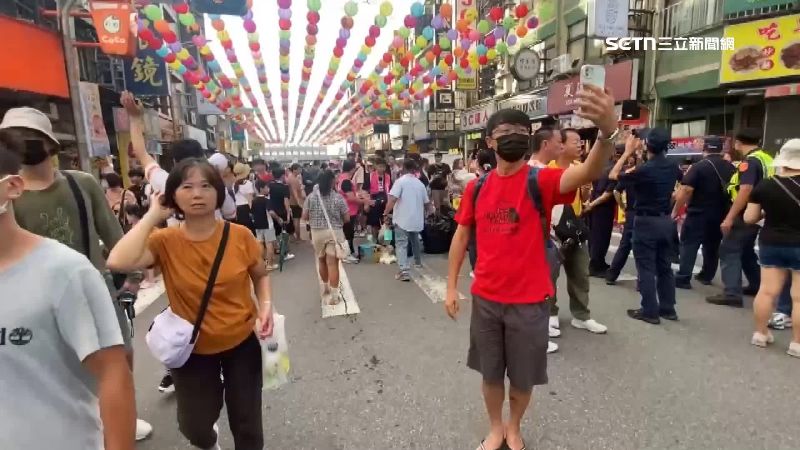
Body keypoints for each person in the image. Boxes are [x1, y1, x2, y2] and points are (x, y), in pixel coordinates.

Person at [445, 85, 617, 450]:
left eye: (520, 134)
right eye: (504, 135)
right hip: (487, 299)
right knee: (490, 374)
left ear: (529, 140)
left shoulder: (543, 180)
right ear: (490, 142)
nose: (513, 140)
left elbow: (587, 172)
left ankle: (514, 426)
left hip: (530, 301)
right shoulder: (477, 189)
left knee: (522, 378)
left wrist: (606, 133)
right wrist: (450, 287)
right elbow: (460, 237)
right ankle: (496, 428)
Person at [0, 105, 153, 440]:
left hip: (92, 285)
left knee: (117, 356)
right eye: (15, 139)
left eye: (32, 137)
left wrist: (132, 278)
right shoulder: (11, 195)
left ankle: (120, 419)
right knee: (49, 366)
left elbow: (114, 235)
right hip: (32, 296)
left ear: (50, 144)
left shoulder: (80, 183)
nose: (24, 144)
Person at [107, 159, 273, 449]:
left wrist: (266, 304)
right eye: (187, 186)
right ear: (174, 195)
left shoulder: (240, 236)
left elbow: (260, 275)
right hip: (192, 349)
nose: (197, 194)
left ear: (219, 193)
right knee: (195, 426)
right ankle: (209, 441)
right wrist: (151, 216)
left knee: (247, 422)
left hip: (242, 343)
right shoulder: (165, 240)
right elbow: (117, 260)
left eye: (206, 186)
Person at [610, 128, 683, 324]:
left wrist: (627, 152)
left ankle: (649, 310)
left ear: (647, 145)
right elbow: (682, 187)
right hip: (665, 220)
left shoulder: (644, 170)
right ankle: (668, 308)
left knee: (646, 268)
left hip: (645, 221)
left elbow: (614, 174)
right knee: (664, 266)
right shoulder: (673, 166)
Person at [541, 128, 608, 336]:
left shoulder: (581, 168)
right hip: (552, 230)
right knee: (549, 276)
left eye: (581, 142)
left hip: (576, 228)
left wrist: (586, 191)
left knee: (580, 274)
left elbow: (584, 198)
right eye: (575, 141)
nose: (580, 145)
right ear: (560, 145)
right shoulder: (545, 169)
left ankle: (582, 316)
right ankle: (550, 314)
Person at [745, 139, 800, 357]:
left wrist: (767, 213)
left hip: (771, 241)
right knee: (798, 297)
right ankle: (796, 344)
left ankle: (760, 334)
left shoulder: (765, 185)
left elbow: (750, 218)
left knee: (767, 291)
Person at [707, 128, 772, 307]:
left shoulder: (749, 163)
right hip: (760, 212)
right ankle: (756, 284)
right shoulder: (766, 158)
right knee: (746, 251)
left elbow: (745, 189)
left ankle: (732, 293)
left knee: (729, 250)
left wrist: (729, 217)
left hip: (744, 213)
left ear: (739, 143)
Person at [672, 136, 736, 289]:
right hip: (721, 213)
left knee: (689, 244)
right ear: (721, 149)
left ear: (704, 148)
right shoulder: (731, 167)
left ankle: (683, 277)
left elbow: (686, 189)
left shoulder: (699, 167)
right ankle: (706, 275)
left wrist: (675, 210)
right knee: (712, 246)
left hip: (698, 212)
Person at [303, 169, 350, 305]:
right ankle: (335, 297)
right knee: (333, 263)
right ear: (331, 182)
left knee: (321, 260)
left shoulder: (311, 197)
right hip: (334, 232)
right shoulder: (338, 197)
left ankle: (325, 288)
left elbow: (304, 217)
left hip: (317, 233)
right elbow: (347, 218)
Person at [385, 158, 430, 282]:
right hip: (416, 219)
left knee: (401, 244)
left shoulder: (400, 182)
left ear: (404, 168)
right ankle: (418, 262)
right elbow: (427, 203)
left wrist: (385, 212)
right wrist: (430, 213)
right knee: (415, 240)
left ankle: (404, 271)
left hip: (402, 219)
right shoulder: (420, 184)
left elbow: (393, 199)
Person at [606, 138, 642, 285]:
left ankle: (612, 275)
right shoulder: (656, 170)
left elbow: (616, 189)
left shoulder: (631, 173)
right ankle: (642, 281)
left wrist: (622, 206)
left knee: (625, 245)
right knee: (644, 248)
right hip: (650, 213)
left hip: (632, 212)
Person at [585, 161, 617, 278]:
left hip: (594, 204)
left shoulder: (599, 167)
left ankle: (598, 262)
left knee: (593, 236)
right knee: (601, 237)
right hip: (603, 207)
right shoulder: (613, 170)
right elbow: (608, 194)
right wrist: (593, 204)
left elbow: (591, 187)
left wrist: (590, 203)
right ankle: (595, 265)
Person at [338, 159, 373, 263]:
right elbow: (351, 198)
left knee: (348, 232)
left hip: (345, 209)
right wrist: (365, 201)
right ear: (352, 168)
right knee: (348, 233)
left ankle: (350, 251)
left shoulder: (341, 178)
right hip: (349, 210)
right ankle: (347, 254)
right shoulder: (346, 181)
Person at [268, 166, 295, 261]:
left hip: (272, 212)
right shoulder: (284, 187)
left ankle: (277, 249)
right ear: (283, 175)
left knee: (275, 233)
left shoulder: (269, 186)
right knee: (284, 233)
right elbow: (286, 202)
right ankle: (285, 253)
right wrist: (288, 214)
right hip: (282, 212)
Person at [252, 179, 278, 271]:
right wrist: (278, 219)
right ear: (262, 188)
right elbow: (271, 212)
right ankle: (270, 264)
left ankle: (261, 264)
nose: (268, 189)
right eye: (267, 187)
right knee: (269, 244)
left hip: (257, 225)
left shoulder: (254, 200)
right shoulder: (266, 200)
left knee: (260, 243)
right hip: (268, 225)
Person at [366, 158, 392, 241]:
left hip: (386, 201)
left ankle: (388, 243)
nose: (382, 169)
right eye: (380, 166)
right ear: (375, 166)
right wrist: (366, 203)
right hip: (373, 200)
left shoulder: (387, 176)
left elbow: (390, 190)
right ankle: (375, 242)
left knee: (387, 222)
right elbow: (366, 191)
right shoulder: (370, 176)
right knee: (374, 223)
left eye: (383, 167)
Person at [232, 162, 255, 233]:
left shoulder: (233, 184)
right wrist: (252, 212)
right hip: (245, 209)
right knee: (248, 231)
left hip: (236, 209)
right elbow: (250, 200)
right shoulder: (248, 184)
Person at [287, 163, 306, 240]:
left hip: (293, 201)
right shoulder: (293, 179)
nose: (300, 170)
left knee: (296, 219)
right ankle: (298, 237)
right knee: (296, 220)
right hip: (295, 202)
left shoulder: (292, 177)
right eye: (299, 169)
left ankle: (297, 236)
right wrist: (299, 203)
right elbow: (295, 193)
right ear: (294, 170)